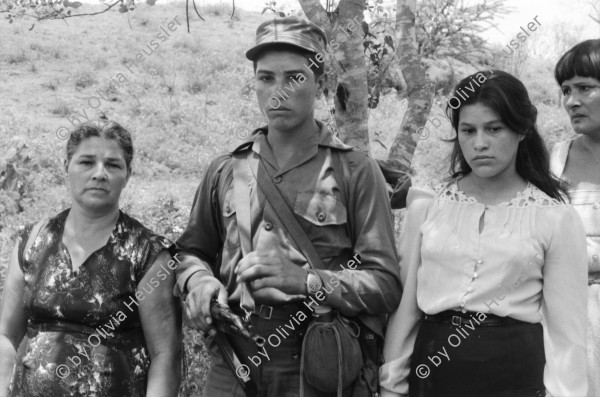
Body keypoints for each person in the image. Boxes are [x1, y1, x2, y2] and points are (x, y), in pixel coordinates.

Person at [171, 16, 402, 397]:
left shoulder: (355, 170)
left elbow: (385, 283)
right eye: (266, 78)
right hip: (233, 361)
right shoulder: (226, 169)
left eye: (294, 77)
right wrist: (198, 280)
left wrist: (308, 281)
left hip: (316, 361)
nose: (278, 92)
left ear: (321, 82)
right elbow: (190, 250)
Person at [380, 70, 588, 397]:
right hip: (433, 372)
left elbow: (567, 333)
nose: (479, 143)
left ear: (521, 129)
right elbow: (406, 306)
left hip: (515, 374)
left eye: (494, 129)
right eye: (468, 130)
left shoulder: (555, 218)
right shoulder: (428, 204)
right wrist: (391, 383)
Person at [0, 120, 182, 397]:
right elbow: (6, 337)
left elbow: (164, 355)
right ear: (66, 167)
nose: (99, 174)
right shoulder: (32, 242)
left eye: (113, 165)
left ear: (128, 174)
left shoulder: (147, 254)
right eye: (86, 162)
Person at [551, 39, 600, 397]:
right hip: (565, 321)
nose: (572, 100)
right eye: (566, 90)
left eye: (585, 88)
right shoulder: (556, 157)